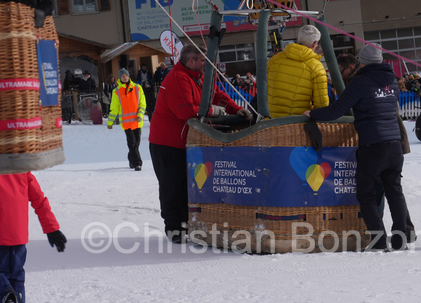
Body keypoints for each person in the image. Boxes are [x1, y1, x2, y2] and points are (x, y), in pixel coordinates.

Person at [308, 43, 414, 251]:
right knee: (395, 192)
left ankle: (378, 240)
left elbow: (336, 110)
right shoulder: (392, 80)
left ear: (361, 61)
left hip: (372, 145)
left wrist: (312, 114)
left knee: (366, 194)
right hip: (394, 144)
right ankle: (400, 240)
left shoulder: (360, 82)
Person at [148, 43, 242, 241]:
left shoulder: (199, 77)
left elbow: (216, 94)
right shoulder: (177, 78)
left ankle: (187, 224)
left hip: (186, 142)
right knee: (171, 186)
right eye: (202, 60)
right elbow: (186, 111)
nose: (206, 64)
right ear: (191, 61)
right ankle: (174, 229)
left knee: (187, 186)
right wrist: (213, 111)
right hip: (167, 143)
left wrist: (235, 109)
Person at [0, 172, 66, 303]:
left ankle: (5, 297)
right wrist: (51, 228)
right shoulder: (20, 165)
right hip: (18, 234)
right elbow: (38, 198)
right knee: (16, 277)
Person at [265, 23, 329, 117]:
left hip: (271, 121)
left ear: (298, 39)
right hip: (298, 124)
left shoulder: (275, 59)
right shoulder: (316, 67)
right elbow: (321, 104)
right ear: (315, 43)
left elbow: (263, 85)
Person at [106, 68, 146, 170]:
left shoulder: (137, 88)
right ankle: (138, 163)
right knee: (132, 144)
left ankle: (131, 159)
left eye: (126, 75)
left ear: (129, 76)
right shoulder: (116, 91)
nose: (124, 77)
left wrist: (140, 115)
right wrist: (110, 122)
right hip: (126, 124)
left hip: (137, 122)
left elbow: (142, 104)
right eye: (122, 76)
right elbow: (114, 108)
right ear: (120, 78)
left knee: (136, 144)